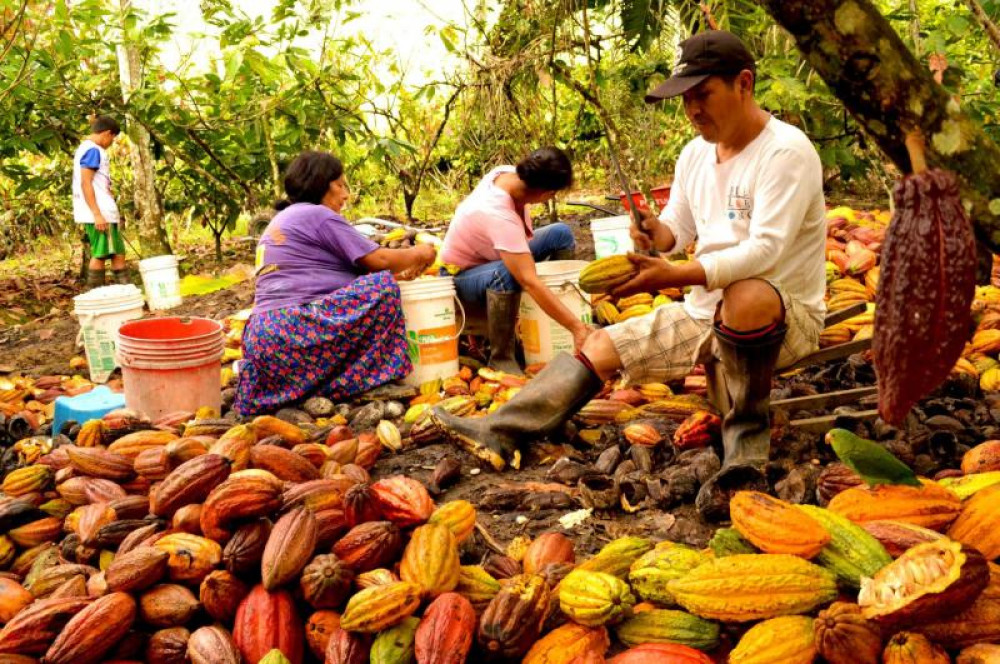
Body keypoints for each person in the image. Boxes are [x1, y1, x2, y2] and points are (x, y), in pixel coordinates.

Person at [433, 30, 827, 521]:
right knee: (599, 346)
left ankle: (745, 452)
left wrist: (674, 272)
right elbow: (678, 230)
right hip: (705, 313)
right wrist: (653, 234)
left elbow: (765, 250)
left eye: (703, 95)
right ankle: (502, 428)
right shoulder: (694, 155)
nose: (693, 110)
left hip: (784, 318)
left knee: (746, 296)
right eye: (686, 100)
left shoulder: (785, 153)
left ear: (743, 84)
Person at [233, 151, 437, 416]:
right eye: (340, 185)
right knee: (383, 287)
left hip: (262, 344)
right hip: (293, 330)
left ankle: (308, 391)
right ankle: (369, 380)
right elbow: (380, 259)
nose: (346, 194)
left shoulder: (282, 220)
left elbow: (322, 279)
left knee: (380, 283)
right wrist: (421, 252)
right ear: (320, 184)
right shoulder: (318, 215)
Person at [440, 146, 589, 374]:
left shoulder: (511, 174)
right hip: (461, 276)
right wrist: (577, 328)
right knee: (507, 273)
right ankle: (501, 357)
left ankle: (558, 305)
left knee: (561, 234)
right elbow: (529, 280)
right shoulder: (497, 213)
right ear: (546, 194)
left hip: (493, 253)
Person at [73, 115, 126, 287]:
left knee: (117, 252)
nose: (111, 142)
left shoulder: (86, 148)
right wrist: (97, 214)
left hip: (103, 210)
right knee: (101, 253)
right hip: (100, 211)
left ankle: (125, 291)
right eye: (113, 138)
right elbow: (85, 182)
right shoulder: (93, 150)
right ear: (107, 134)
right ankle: (95, 294)